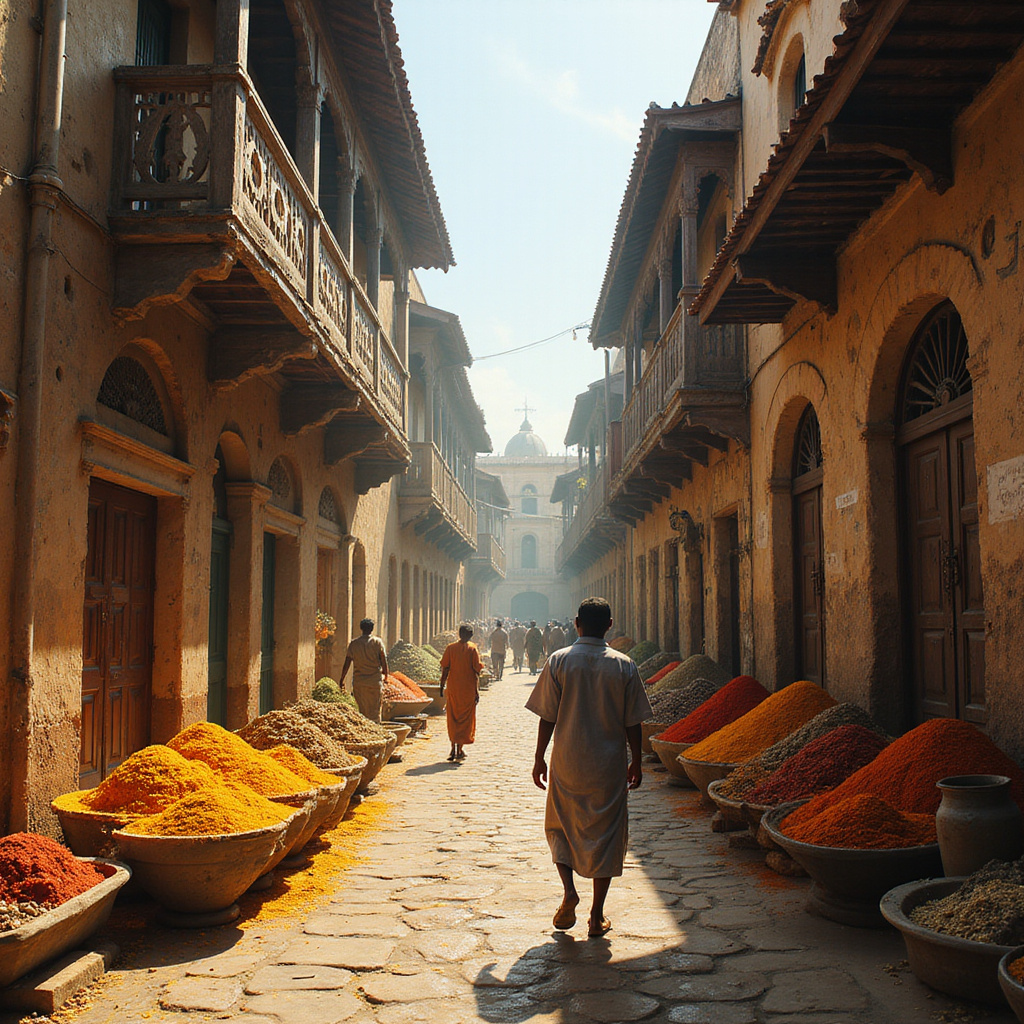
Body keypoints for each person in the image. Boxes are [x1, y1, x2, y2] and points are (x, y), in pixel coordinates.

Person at [526, 597, 651, 938]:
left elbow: (546, 716)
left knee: (561, 826)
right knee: (607, 835)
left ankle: (568, 891)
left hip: (567, 760)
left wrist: (540, 758)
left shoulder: (560, 661)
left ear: (577, 623)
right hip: (607, 765)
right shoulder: (624, 665)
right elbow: (634, 722)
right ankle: (596, 916)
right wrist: (636, 760)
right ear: (609, 624)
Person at [440, 623, 484, 761]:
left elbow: (445, 669)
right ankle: (459, 749)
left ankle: (453, 748)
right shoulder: (472, 649)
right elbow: (476, 671)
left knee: (453, 718)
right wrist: (477, 691)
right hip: (468, 690)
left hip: (454, 689)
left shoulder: (450, 648)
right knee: (465, 720)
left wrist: (441, 685)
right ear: (470, 635)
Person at [340, 617, 389, 723]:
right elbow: (384, 661)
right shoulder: (377, 642)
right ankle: (376, 732)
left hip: (359, 682)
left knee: (362, 710)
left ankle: (365, 731)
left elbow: (347, 663)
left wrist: (341, 679)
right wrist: (386, 677)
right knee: (375, 711)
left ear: (361, 628)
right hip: (374, 682)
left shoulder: (354, 644)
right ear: (372, 629)